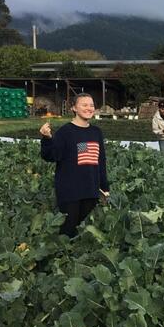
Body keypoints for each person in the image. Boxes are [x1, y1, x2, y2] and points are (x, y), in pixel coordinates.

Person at [40, 93, 109, 238]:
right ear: (74, 108)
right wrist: (47, 139)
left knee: (83, 232)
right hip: (70, 191)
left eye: (91, 105)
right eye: (84, 105)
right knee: (68, 231)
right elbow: (51, 156)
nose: (89, 108)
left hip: (91, 191)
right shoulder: (65, 132)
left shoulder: (96, 132)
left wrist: (104, 187)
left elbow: (100, 161)